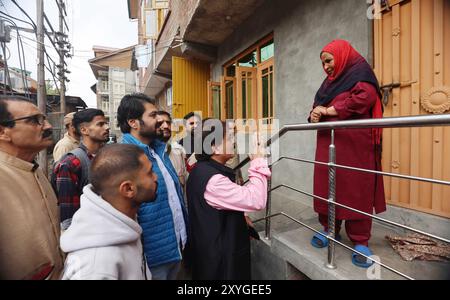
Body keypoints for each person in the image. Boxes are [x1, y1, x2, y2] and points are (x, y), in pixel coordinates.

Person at [309, 39, 385, 268]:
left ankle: (360, 240)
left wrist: (329, 110)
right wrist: (313, 114)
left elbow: (365, 98)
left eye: (329, 61)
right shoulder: (327, 84)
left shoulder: (360, 72)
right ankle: (329, 228)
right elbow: (316, 105)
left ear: (342, 56)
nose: (326, 67)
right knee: (327, 186)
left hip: (355, 147)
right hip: (327, 145)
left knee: (355, 189)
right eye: (323, 63)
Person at [186, 119, 270, 280]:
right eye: (230, 137)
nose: (234, 141)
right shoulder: (214, 180)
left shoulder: (202, 169)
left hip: (212, 250)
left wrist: (242, 215)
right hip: (221, 262)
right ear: (214, 147)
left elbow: (221, 203)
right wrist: (258, 161)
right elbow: (257, 200)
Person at [60, 144, 158, 280]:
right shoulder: (96, 266)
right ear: (128, 189)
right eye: (149, 173)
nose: (155, 177)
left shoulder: (123, 223)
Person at [118, 93, 188, 280]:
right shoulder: (125, 159)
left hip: (175, 248)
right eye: (153, 115)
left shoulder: (159, 151)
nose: (159, 120)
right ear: (133, 122)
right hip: (152, 260)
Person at [0, 95, 64, 280]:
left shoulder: (32, 169)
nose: (48, 126)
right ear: (3, 132)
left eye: (43, 119)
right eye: (34, 121)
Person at [52, 108, 110, 230]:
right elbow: (68, 219)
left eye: (106, 123)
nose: (107, 127)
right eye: (100, 124)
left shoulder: (107, 156)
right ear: (84, 130)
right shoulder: (71, 163)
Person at [156, 110, 187, 189]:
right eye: (160, 123)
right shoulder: (145, 154)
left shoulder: (178, 150)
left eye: (168, 122)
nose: (166, 126)